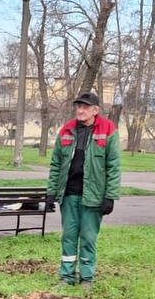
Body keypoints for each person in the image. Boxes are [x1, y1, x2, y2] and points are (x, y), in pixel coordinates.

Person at [46, 91, 121, 287]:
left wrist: (110, 196)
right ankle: (67, 277)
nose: (80, 110)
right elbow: (56, 164)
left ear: (95, 110)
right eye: (78, 106)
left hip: (93, 196)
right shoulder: (66, 130)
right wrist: (51, 192)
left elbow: (114, 166)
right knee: (69, 237)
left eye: (85, 107)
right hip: (69, 195)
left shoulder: (108, 130)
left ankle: (87, 278)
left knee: (88, 238)